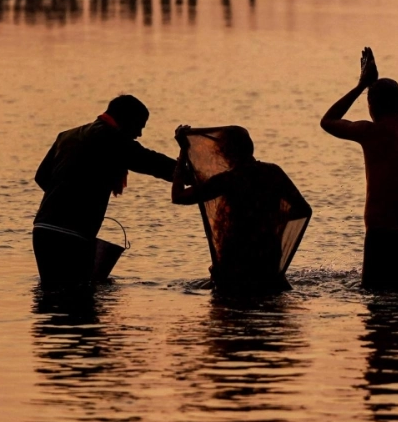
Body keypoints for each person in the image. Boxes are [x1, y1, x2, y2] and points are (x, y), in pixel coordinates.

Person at [33, 95, 176, 289]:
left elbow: (42, 177)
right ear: (126, 119)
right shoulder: (112, 138)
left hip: (43, 230)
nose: (139, 134)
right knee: (79, 302)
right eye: (139, 126)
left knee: (53, 297)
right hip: (72, 237)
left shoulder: (66, 136)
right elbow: (151, 162)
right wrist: (195, 173)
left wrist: (69, 194)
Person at [320, 48, 398, 290]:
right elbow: (397, 120)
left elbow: (327, 121)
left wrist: (362, 85)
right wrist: (378, 89)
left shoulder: (369, 132)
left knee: (377, 305)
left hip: (382, 234)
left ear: (371, 107)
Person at [171, 126, 312, 295]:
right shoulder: (273, 172)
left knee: (231, 309)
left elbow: (178, 196)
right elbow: (303, 209)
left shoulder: (228, 180)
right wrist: (274, 219)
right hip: (268, 254)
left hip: (235, 258)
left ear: (225, 152)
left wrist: (183, 153)